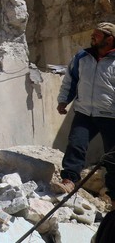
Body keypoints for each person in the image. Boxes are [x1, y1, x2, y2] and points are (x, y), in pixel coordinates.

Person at [51, 22, 115, 209]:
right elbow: (70, 80)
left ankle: (113, 197)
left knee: (112, 158)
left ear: (109, 39)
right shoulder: (82, 57)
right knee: (76, 145)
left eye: (97, 35)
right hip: (84, 112)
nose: (93, 37)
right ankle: (69, 180)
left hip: (110, 116)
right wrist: (64, 101)